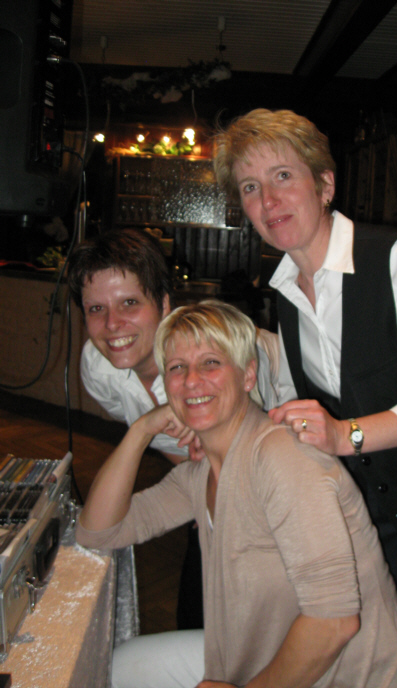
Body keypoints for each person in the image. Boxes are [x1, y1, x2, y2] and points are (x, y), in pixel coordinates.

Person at [213, 108, 397, 678]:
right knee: (395, 648)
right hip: (384, 502)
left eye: (283, 176)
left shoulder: (396, 257)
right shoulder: (285, 293)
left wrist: (342, 436)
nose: (268, 200)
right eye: (250, 187)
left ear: (325, 185)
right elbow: (306, 396)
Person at [75, 299, 397, 688]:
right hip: (265, 654)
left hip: (353, 675)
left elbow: (335, 623)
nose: (191, 380)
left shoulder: (281, 456)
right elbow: (98, 532)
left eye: (211, 362)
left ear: (248, 376)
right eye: (176, 368)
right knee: (124, 667)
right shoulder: (201, 473)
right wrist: (142, 430)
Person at [67, 227, 280, 630]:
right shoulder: (100, 370)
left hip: (282, 486)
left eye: (130, 302)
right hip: (215, 489)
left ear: (164, 304)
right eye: (96, 308)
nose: (112, 324)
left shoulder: (214, 364)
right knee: (198, 619)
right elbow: (170, 443)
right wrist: (182, 456)